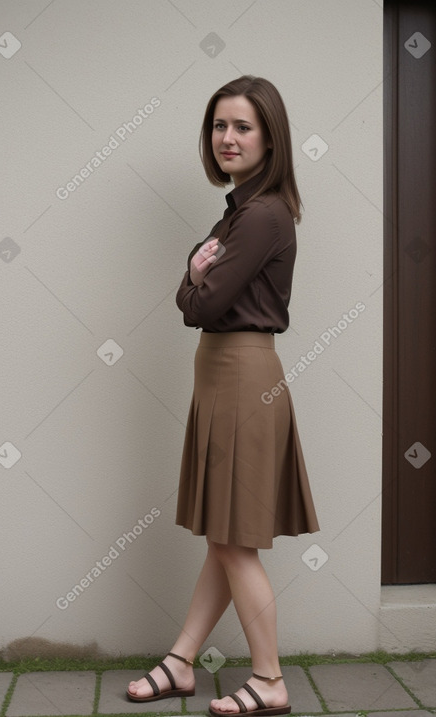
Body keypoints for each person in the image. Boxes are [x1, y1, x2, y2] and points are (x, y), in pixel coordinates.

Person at [126, 75, 319, 716]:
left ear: (270, 138)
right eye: (219, 126)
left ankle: (269, 678)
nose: (228, 137)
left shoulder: (260, 215)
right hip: (221, 376)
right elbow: (195, 293)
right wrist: (194, 282)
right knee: (223, 536)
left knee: (236, 542)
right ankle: (183, 661)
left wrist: (193, 279)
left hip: (242, 379)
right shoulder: (239, 209)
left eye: (243, 126)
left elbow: (198, 302)